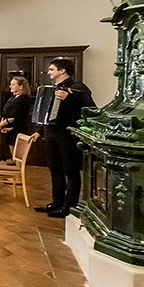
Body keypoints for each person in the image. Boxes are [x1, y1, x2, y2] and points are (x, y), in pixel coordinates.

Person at [34, 59, 95, 218]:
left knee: (70, 170)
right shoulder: (52, 89)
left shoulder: (77, 88)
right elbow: (48, 113)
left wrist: (69, 98)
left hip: (67, 134)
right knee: (55, 169)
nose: (49, 72)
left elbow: (90, 109)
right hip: (51, 132)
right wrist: (40, 131)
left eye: (52, 69)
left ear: (62, 71)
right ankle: (57, 202)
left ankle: (69, 206)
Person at [0, 76, 33, 162]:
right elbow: (5, 114)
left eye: (13, 84)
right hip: (9, 130)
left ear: (20, 86)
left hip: (18, 129)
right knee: (13, 153)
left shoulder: (24, 99)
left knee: (18, 156)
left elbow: (14, 116)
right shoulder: (13, 98)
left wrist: (0, 126)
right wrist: (2, 125)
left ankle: (18, 172)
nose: (10, 86)